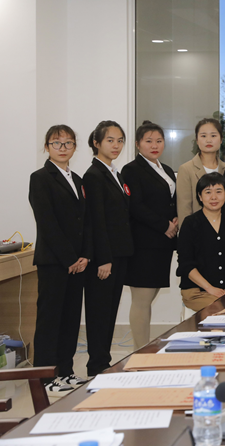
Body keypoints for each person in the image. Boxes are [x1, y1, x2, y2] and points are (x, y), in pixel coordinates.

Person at [29, 125, 89, 395]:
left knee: (70, 320)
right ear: (47, 147)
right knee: (50, 321)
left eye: (68, 143)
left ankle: (65, 371)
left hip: (78, 263)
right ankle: (45, 378)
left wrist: (84, 256)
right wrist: (69, 258)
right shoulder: (40, 178)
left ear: (75, 147)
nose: (63, 148)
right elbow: (47, 223)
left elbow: (84, 221)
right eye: (57, 143)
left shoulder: (77, 179)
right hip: (54, 262)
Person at [120, 121, 178, 350]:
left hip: (162, 243)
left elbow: (169, 201)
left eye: (159, 141)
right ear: (137, 144)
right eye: (149, 141)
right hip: (143, 244)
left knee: (150, 296)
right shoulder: (131, 170)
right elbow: (136, 206)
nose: (154, 145)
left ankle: (144, 348)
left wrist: (175, 220)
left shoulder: (165, 169)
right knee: (142, 300)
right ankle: (140, 351)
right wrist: (164, 225)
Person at [83, 120, 133, 376]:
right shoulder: (93, 176)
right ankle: (96, 364)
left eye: (120, 140)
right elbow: (96, 220)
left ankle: (103, 361)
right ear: (96, 143)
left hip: (119, 253)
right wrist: (103, 258)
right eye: (110, 140)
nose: (116, 145)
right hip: (105, 258)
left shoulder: (115, 173)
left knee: (110, 310)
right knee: (99, 311)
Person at [177, 173, 225, 311]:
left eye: (219, 192)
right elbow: (186, 264)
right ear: (200, 196)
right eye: (208, 192)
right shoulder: (190, 224)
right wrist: (210, 289)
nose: (214, 197)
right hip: (198, 292)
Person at [176, 118, 225, 229]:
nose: (208, 140)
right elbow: (184, 209)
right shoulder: (186, 169)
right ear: (197, 140)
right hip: (197, 232)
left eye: (213, 136)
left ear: (221, 139)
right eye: (203, 136)